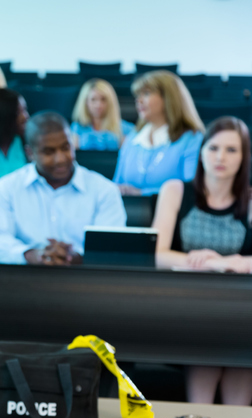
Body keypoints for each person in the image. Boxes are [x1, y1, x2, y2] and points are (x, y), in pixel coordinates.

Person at [0, 111, 126, 265]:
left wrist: (75, 257)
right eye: (49, 152)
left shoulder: (104, 190)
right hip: (22, 281)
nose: (60, 159)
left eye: (65, 148)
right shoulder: (6, 188)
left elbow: (111, 248)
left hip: (86, 282)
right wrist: (31, 255)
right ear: (30, 153)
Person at [153, 116, 252, 272]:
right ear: (201, 153)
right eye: (213, 148)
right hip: (181, 287)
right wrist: (217, 263)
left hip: (235, 292)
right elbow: (157, 255)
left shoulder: (250, 200)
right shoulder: (174, 190)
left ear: (243, 158)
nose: (221, 158)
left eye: (231, 150)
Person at [113, 70, 205, 195]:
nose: (138, 100)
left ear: (168, 98)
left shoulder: (192, 139)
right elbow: (116, 184)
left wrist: (142, 193)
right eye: (137, 95)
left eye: (146, 93)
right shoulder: (132, 138)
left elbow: (190, 189)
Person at [70, 78, 135, 151]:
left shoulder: (126, 129)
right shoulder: (76, 128)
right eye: (93, 99)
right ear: (85, 102)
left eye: (103, 99)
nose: (98, 105)